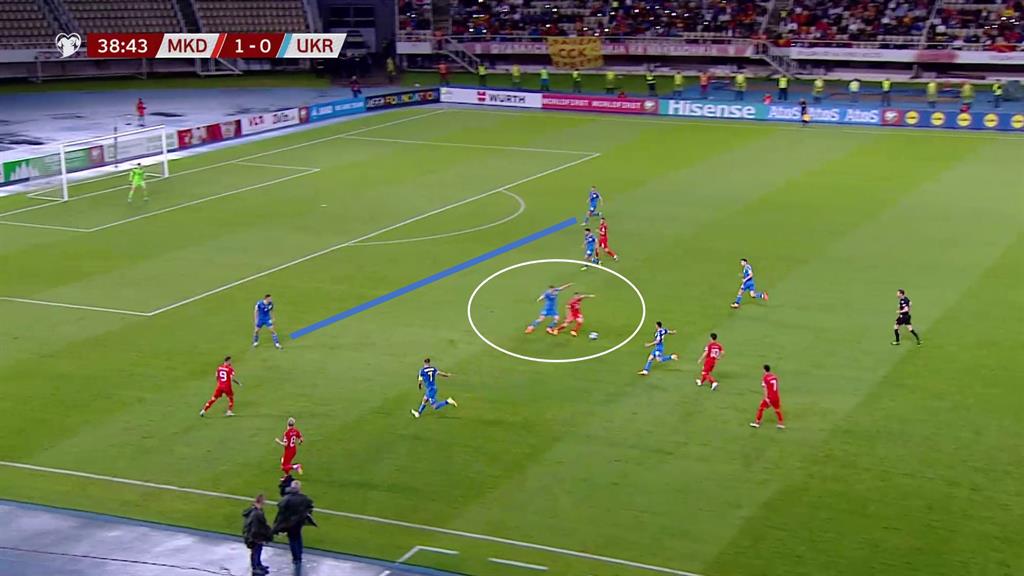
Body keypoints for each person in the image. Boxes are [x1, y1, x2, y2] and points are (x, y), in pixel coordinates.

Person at [272, 481, 315, 566]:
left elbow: (281, 508)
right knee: (297, 537)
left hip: (289, 522)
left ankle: (296, 558)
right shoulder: (304, 498)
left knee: (292, 539)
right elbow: (310, 506)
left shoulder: (287, 498)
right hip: (298, 522)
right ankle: (299, 555)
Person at [242, 494, 273, 575]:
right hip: (255, 536)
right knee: (256, 552)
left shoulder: (255, 511)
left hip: (254, 535)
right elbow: (257, 527)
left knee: (257, 551)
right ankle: (255, 568)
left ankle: (258, 565)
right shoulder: (257, 513)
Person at [750, 364, 785, 429]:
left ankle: (757, 423)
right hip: (776, 396)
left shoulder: (765, 378)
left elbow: (765, 389)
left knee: (761, 408)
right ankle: (781, 424)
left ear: (764, 370)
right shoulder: (774, 376)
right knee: (777, 410)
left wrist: (766, 398)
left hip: (770, 397)